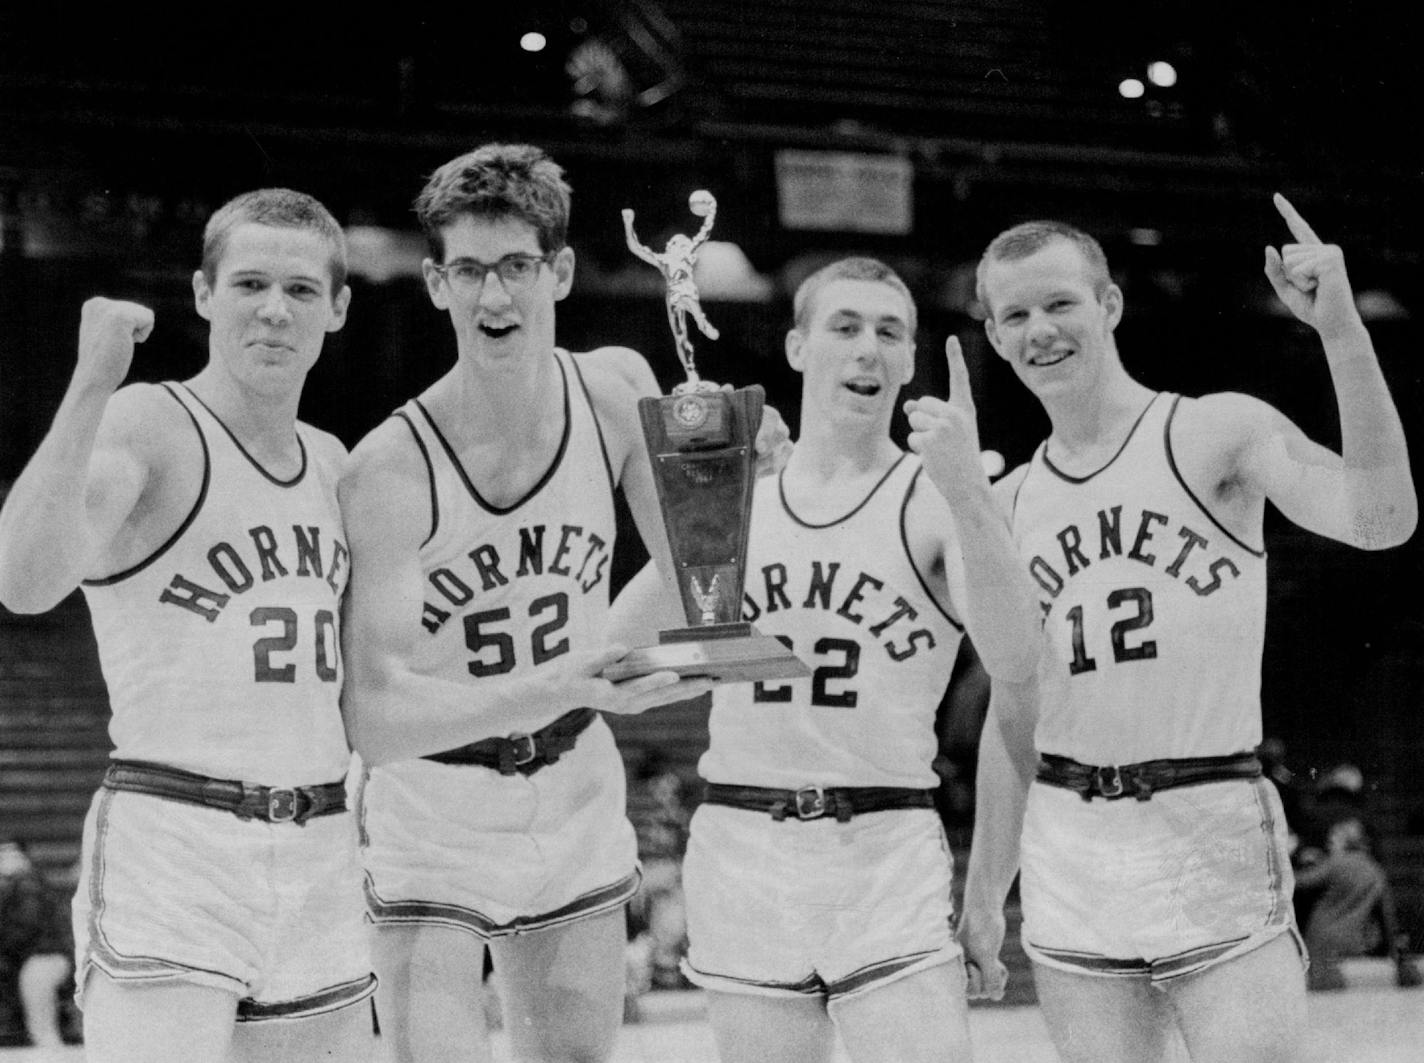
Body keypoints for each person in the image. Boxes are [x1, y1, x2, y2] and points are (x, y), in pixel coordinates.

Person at [957, 196, 1417, 1063]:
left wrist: (1343, 334)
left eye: (1060, 303)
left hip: (1210, 817)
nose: (1039, 330)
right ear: (993, 334)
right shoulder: (1008, 502)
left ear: (1110, 306)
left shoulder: (1214, 432)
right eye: (1014, 315)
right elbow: (1014, 714)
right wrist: (985, 891)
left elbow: (1382, 516)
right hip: (1074, 841)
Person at [339, 143, 746, 1063]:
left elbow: (703, 586)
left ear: (557, 269)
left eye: (517, 266)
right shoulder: (389, 469)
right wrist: (566, 682)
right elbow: (378, 718)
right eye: (471, 271)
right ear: (436, 283)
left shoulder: (614, 393)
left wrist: (722, 499)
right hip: (432, 804)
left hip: (570, 786)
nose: (495, 299)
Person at [612, 256, 1040, 1062]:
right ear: (799, 346)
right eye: (845, 328)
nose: (867, 350)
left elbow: (1019, 662)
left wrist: (971, 494)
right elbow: (615, 661)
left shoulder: (935, 496)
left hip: (883, 840)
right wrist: (702, 502)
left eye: (889, 332)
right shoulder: (740, 500)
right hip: (744, 839)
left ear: (912, 359)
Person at [0, 189, 379, 1062]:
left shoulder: (335, 462)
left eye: (300, 289)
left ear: (338, 308)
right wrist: (92, 384)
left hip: (320, 841)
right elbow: (23, 581)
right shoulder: (150, 423)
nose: (274, 310)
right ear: (204, 294)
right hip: (178, 835)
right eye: (249, 283)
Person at [1295, 816, 1422, 991]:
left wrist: (1298, 859)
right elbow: (1387, 917)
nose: (1329, 843)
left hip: (1321, 938)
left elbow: (1299, 882)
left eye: (1334, 838)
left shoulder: (1336, 863)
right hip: (1354, 942)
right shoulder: (1376, 870)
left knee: (1318, 992)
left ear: (1347, 841)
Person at [0, 840, 72, 1049]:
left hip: (47, 955)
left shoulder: (29, 884)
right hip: (20, 958)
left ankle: (49, 1047)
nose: (6, 860)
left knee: (36, 980)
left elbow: (25, 928)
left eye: (11, 855)